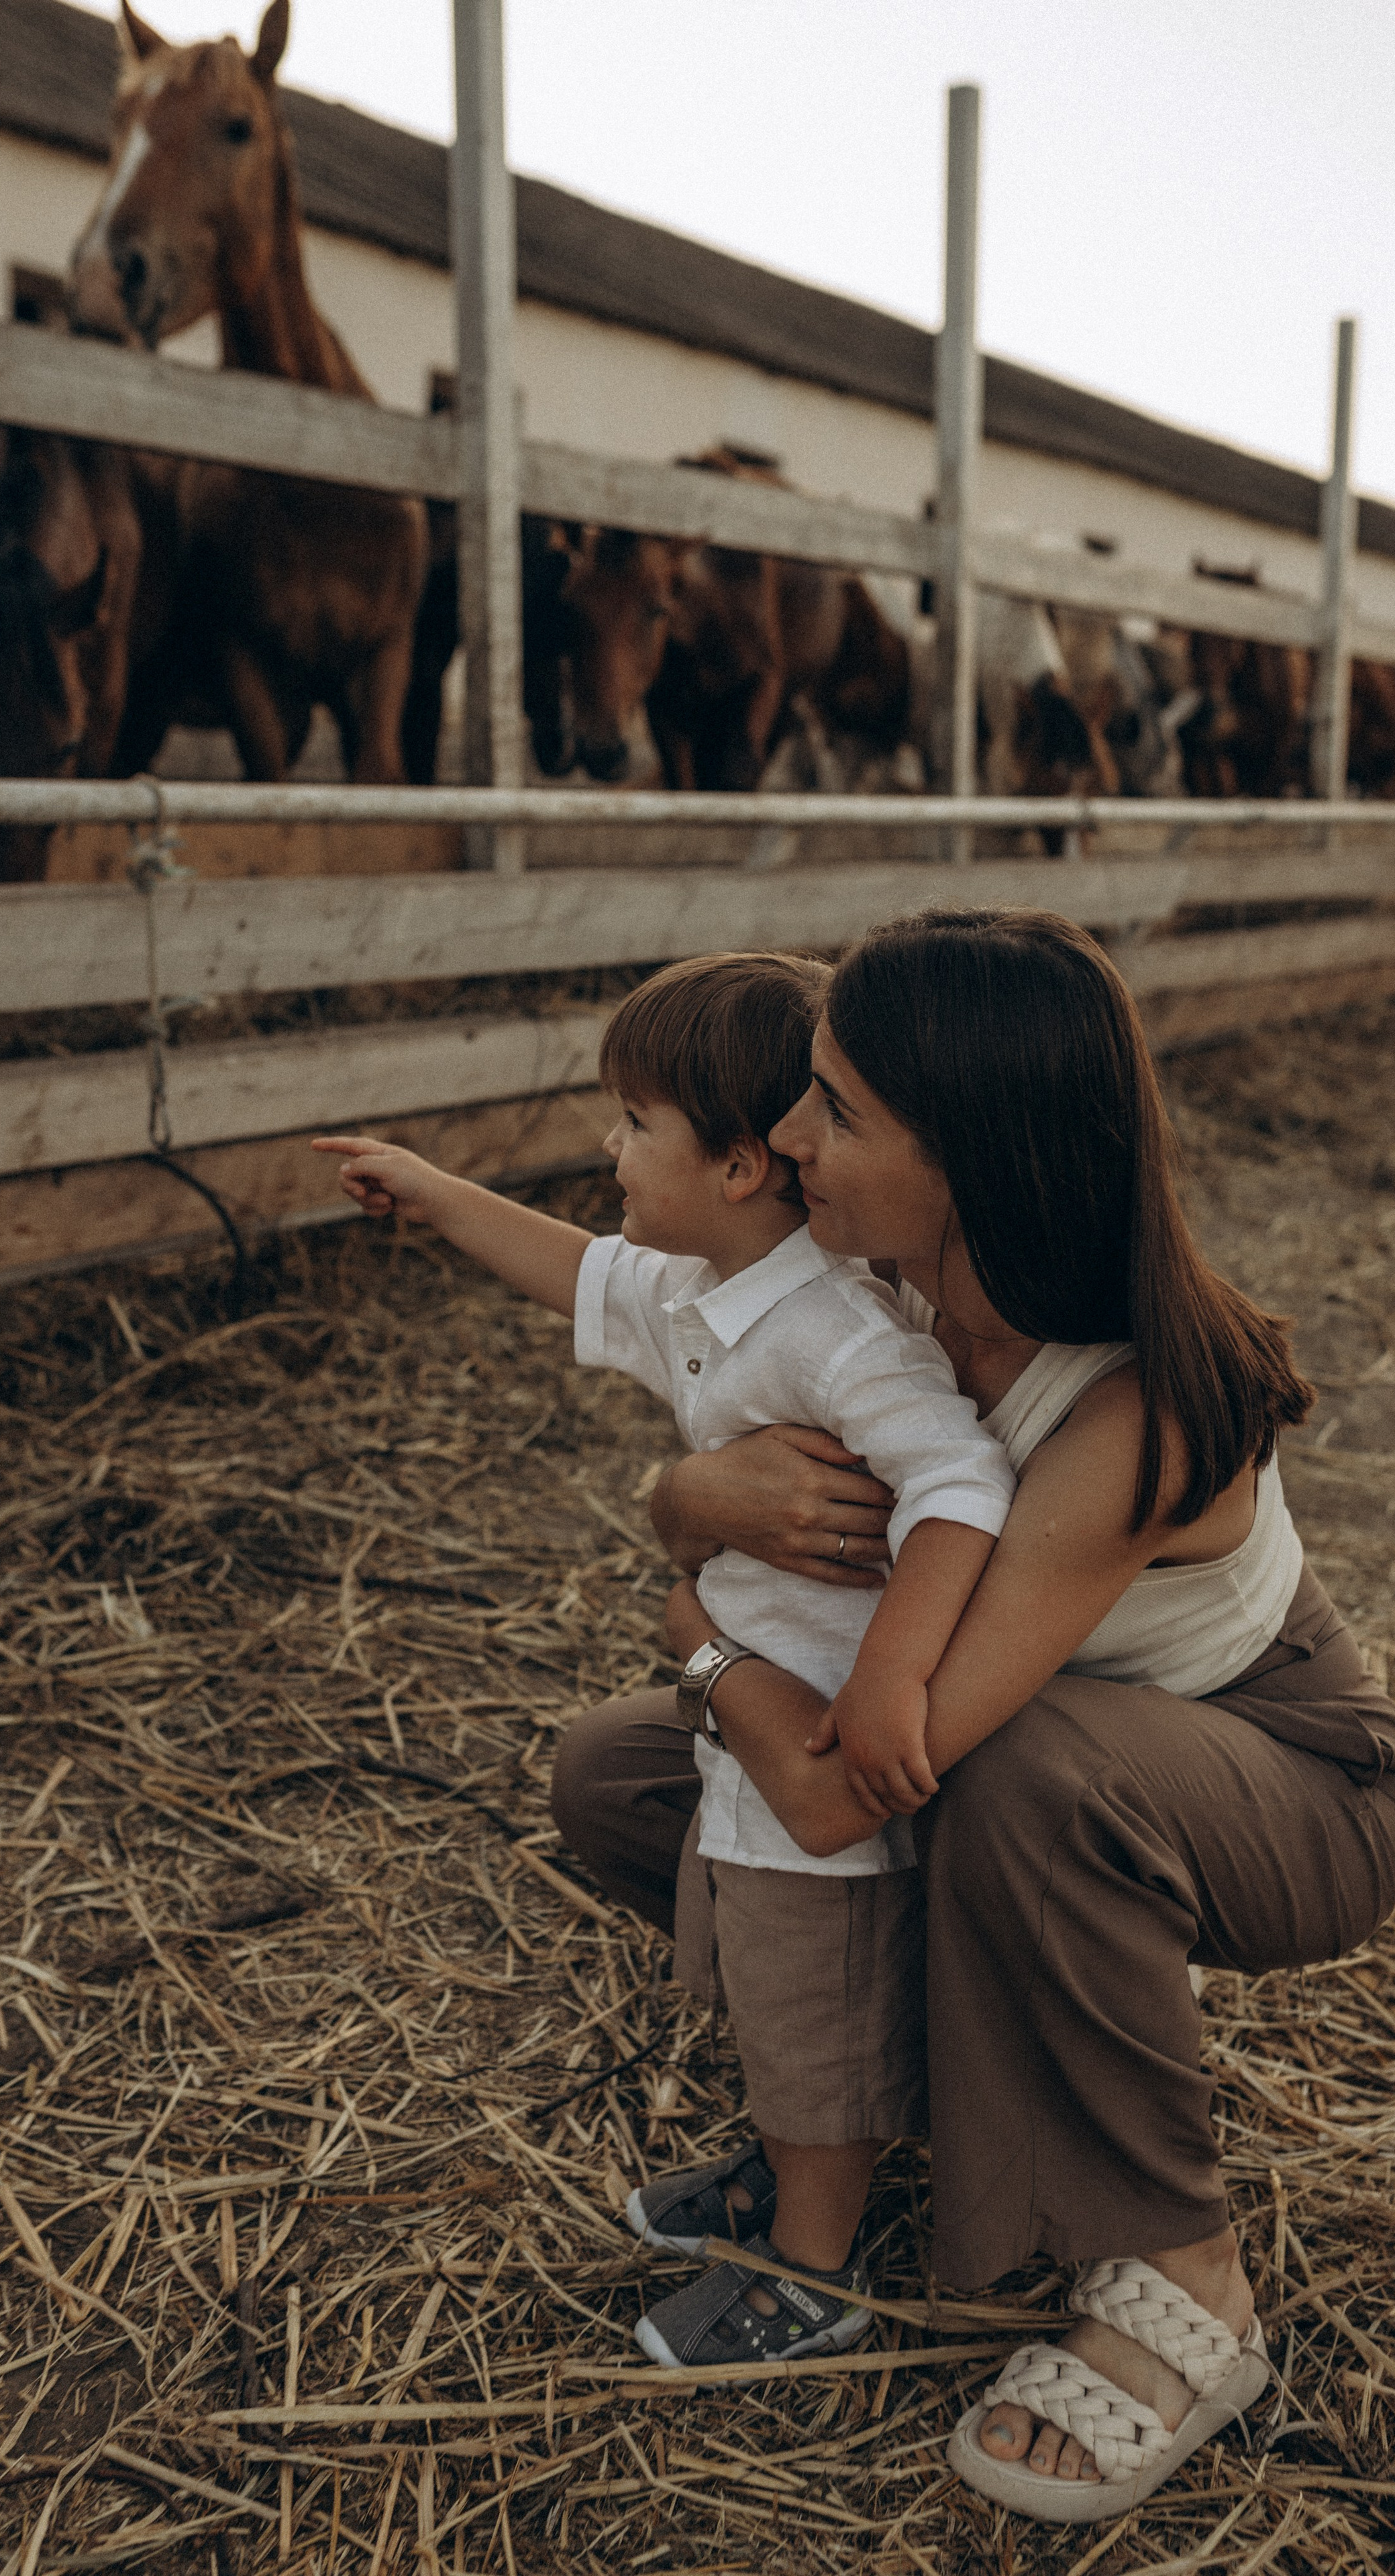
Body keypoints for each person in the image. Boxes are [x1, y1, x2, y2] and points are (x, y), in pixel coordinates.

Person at [552, 907, 1395, 2523]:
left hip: (1285, 1779)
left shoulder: (1133, 1407)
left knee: (1017, 1776)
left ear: (970, 1157)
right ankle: (857, 2109)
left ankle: (1185, 2277)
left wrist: (700, 1640)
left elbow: (849, 1790)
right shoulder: (877, 1287)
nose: (786, 1136)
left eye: (836, 1110)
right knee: (620, 1776)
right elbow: (687, 1434)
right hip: (1027, 1749)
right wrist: (684, 1499)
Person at [311, 951, 1017, 2369]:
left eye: (636, 1124)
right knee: (769, 1989)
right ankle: (785, 2176)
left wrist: (890, 1676)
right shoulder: (710, 1285)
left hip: (817, 1744)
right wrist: (437, 1193)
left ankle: (815, 2270)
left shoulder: (837, 1333)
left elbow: (963, 1484)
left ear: (744, 1166)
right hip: (748, 1736)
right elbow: (580, 1269)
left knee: (814, 2012)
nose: (609, 1147)